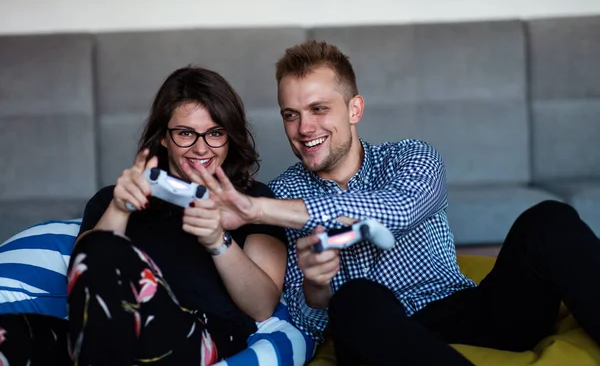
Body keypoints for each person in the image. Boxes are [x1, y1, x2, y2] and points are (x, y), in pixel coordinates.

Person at [181, 40, 600, 365]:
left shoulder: (410, 157)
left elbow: (395, 209)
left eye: (319, 109)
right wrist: (315, 284)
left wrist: (256, 210)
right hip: (375, 334)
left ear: (354, 109)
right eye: (290, 114)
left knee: (549, 218)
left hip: (465, 310)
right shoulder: (282, 194)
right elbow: (308, 320)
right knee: (356, 299)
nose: (304, 127)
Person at [67, 66, 287, 365]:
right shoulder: (113, 198)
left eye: (214, 134)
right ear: (163, 137)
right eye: (185, 133)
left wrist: (217, 241)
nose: (200, 148)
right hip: (114, 328)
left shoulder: (254, 201)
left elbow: (262, 306)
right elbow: (84, 278)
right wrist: (120, 210)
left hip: (202, 333)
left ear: (229, 137)